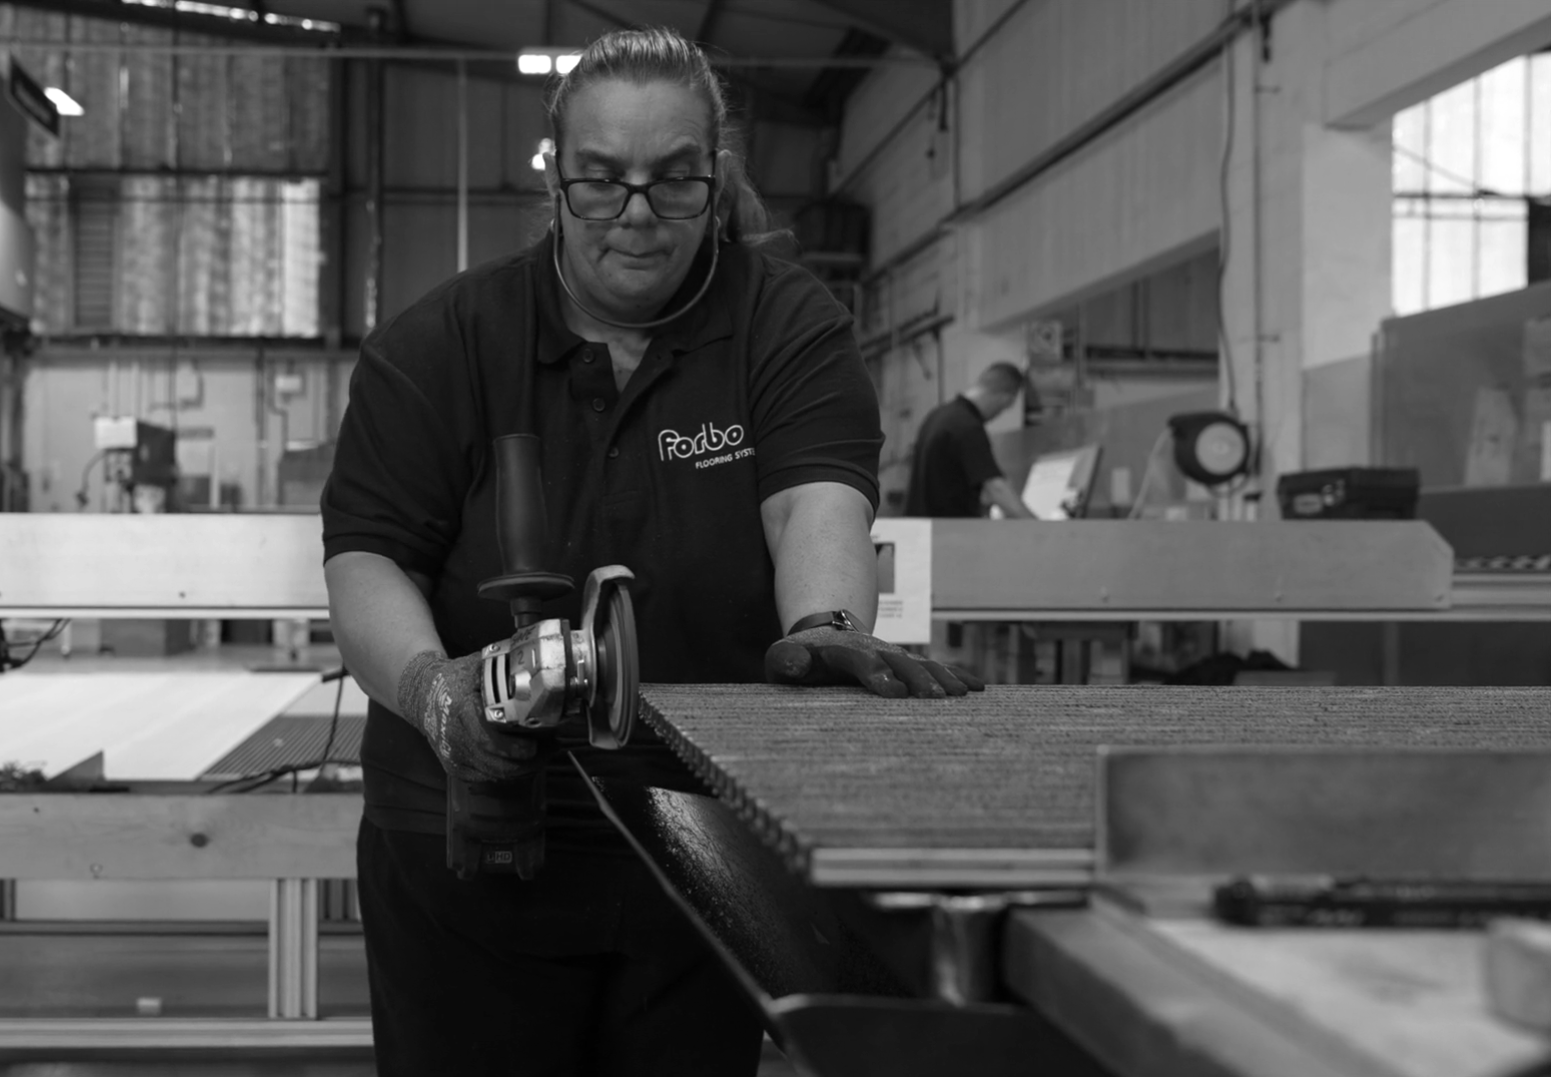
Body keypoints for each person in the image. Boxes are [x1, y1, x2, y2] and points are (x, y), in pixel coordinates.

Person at [320, 27, 982, 1076]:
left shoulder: (784, 323)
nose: (636, 213)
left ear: (715, 178)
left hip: (702, 831)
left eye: (674, 179)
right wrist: (434, 692)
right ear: (556, 179)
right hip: (469, 831)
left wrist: (825, 626)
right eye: (601, 180)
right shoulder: (441, 343)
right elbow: (369, 559)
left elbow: (814, 506)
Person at [904, 362, 1037, 519]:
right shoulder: (967, 426)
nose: (998, 414)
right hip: (947, 528)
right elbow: (996, 489)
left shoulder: (938, 416)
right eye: (1004, 408)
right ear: (1006, 398)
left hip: (920, 525)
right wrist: (1038, 527)